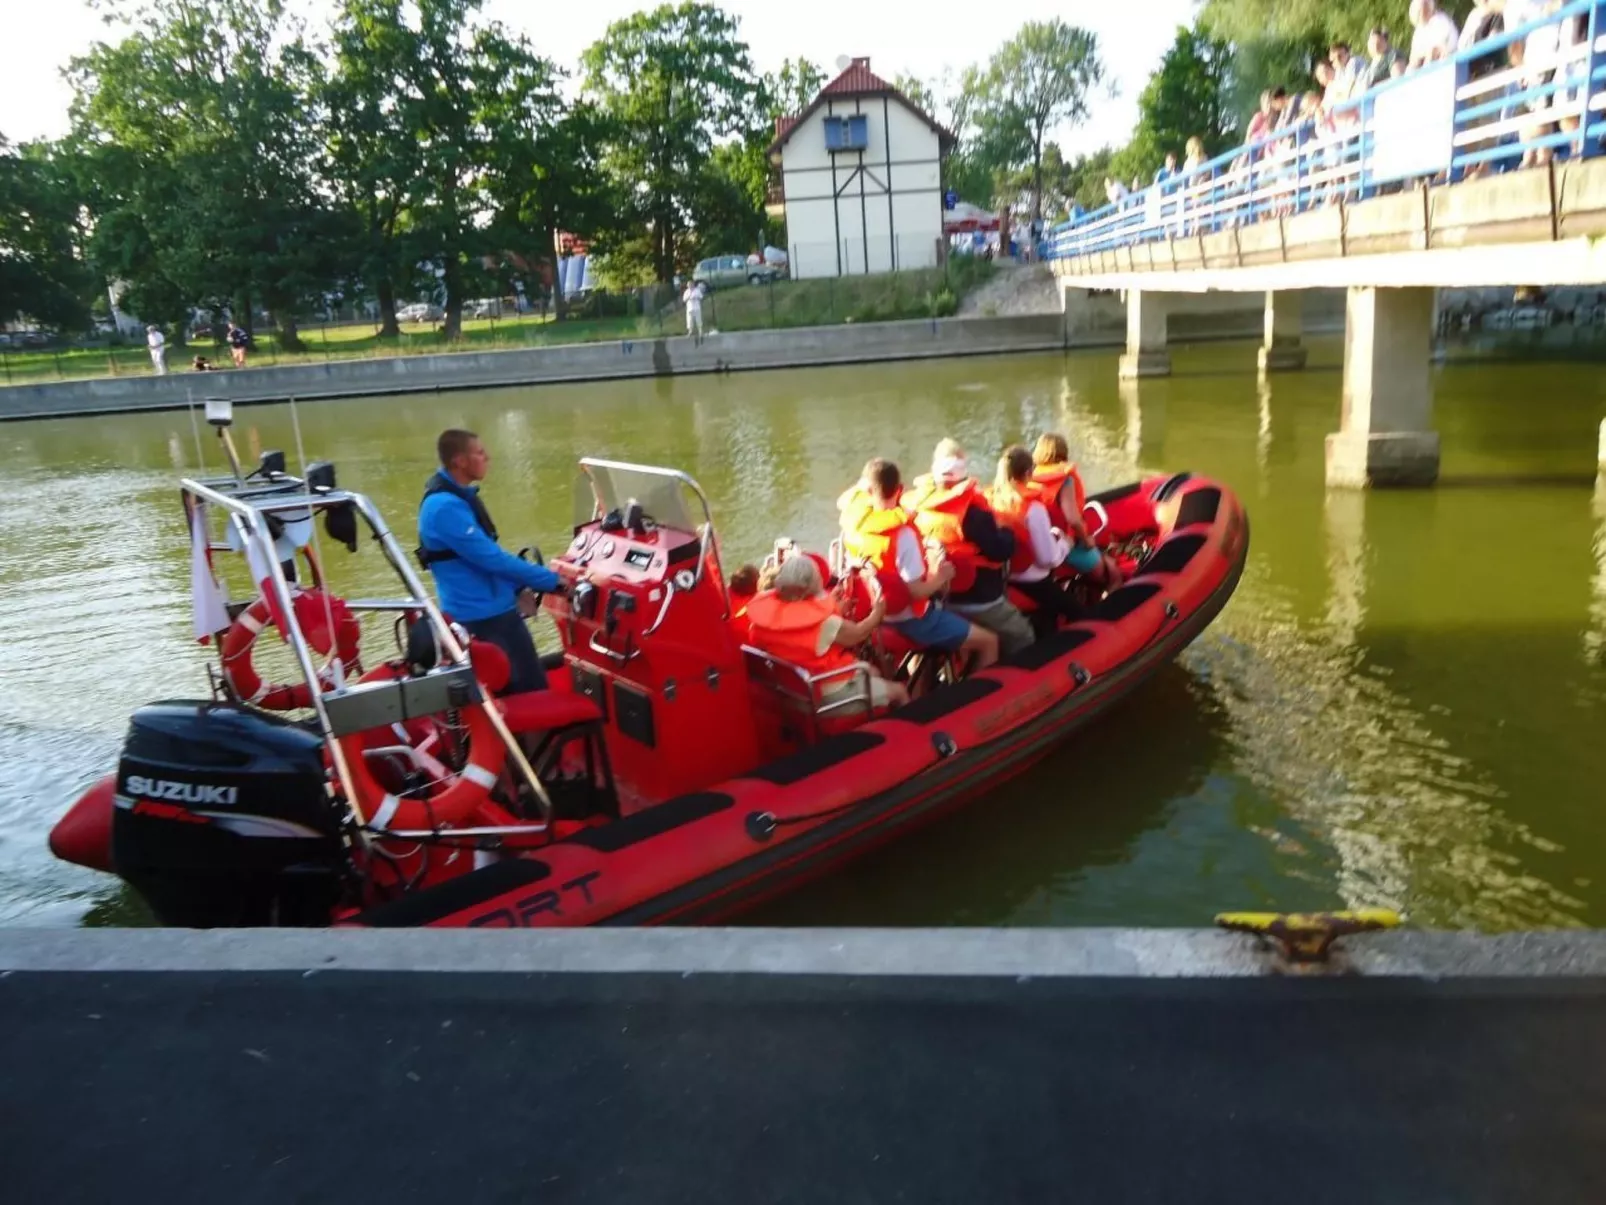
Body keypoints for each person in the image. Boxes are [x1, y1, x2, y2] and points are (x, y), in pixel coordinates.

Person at [416, 428, 565, 696]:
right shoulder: (445, 508)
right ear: (460, 461)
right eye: (480, 453)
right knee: (529, 694)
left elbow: (479, 558)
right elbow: (492, 559)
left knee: (527, 687)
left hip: (492, 611)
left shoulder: (457, 497)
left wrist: (516, 589)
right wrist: (555, 581)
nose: (488, 457)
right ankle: (529, 737)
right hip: (485, 619)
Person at [842, 458, 997, 671]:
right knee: (989, 642)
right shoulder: (903, 535)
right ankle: (977, 699)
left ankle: (923, 687)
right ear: (900, 489)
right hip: (909, 618)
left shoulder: (852, 524)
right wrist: (941, 576)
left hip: (873, 614)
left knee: (952, 639)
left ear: (867, 490)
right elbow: (914, 592)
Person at [903, 439, 1034, 658]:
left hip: (942, 597)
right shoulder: (972, 513)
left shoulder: (917, 507)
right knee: (1023, 635)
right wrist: (1007, 532)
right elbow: (999, 550)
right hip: (979, 599)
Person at [745, 555, 909, 712]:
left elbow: (799, 621)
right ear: (806, 591)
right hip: (826, 692)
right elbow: (859, 633)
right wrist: (878, 610)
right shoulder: (826, 624)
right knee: (899, 691)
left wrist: (834, 607)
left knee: (874, 672)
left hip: (791, 690)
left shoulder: (760, 623)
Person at [989, 446, 1087, 636]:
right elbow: (1048, 559)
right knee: (1079, 613)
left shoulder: (993, 499)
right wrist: (1066, 543)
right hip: (1031, 578)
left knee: (1050, 608)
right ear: (1028, 472)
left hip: (1004, 577)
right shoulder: (1033, 508)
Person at [1032, 434, 1123, 589]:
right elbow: (1072, 519)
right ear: (1064, 453)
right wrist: (1087, 539)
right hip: (1066, 544)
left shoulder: (1030, 477)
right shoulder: (1065, 480)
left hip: (1041, 542)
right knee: (1112, 574)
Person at [1408, 0, 1460, 69]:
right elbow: (1414, 57)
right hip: (1428, 63)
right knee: (1411, 66)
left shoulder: (1441, 21)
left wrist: (1425, 58)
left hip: (1449, 60)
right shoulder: (1419, 30)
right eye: (1418, 12)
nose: (1420, 14)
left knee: (1432, 52)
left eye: (1420, 11)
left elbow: (1439, 49)